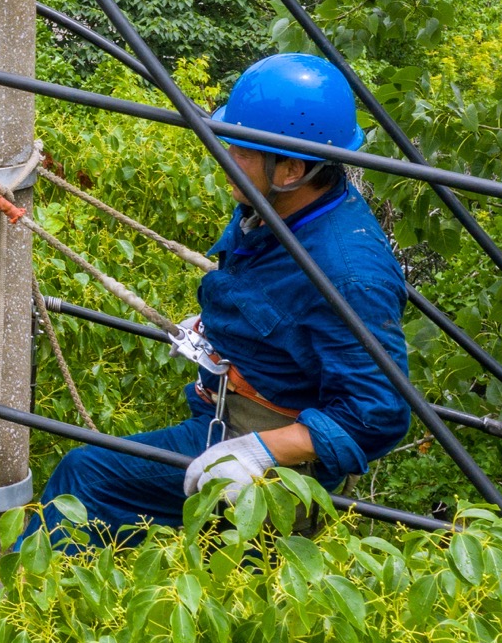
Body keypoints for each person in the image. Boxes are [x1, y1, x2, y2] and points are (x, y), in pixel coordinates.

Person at [23, 53, 411, 549]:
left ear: (291, 167)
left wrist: (260, 452)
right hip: (223, 414)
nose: (223, 156)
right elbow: (272, 299)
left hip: (277, 453)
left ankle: (4, 616)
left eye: (240, 150)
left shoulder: (346, 273)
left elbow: (376, 413)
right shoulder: (273, 207)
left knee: (89, 477)